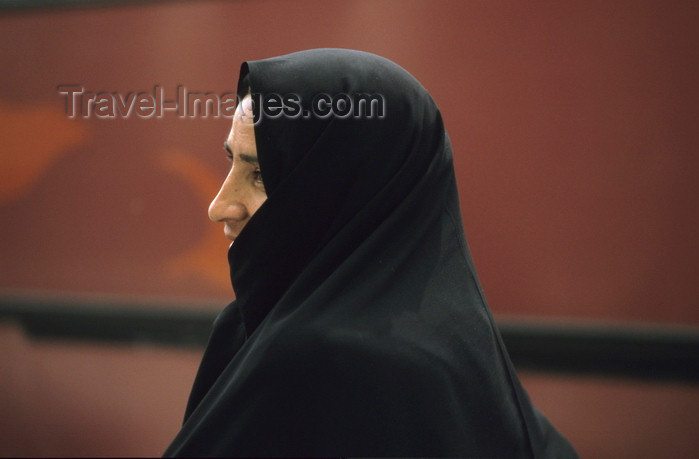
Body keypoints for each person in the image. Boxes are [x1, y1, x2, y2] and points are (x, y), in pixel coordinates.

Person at [164, 49, 577, 458]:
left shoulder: (320, 363)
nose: (219, 205)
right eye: (230, 162)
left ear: (342, 191)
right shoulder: (457, 340)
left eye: (261, 175)